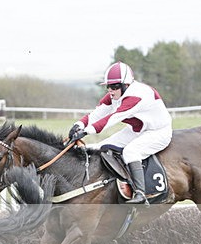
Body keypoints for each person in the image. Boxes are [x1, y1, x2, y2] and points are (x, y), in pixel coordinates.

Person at [68, 61, 172, 204]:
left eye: (115, 86)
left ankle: (140, 193)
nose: (110, 90)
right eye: (108, 86)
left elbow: (113, 118)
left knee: (131, 152)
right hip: (137, 130)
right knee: (101, 147)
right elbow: (97, 114)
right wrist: (78, 125)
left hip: (158, 132)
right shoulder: (114, 95)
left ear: (126, 85)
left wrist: (85, 132)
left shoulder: (136, 96)